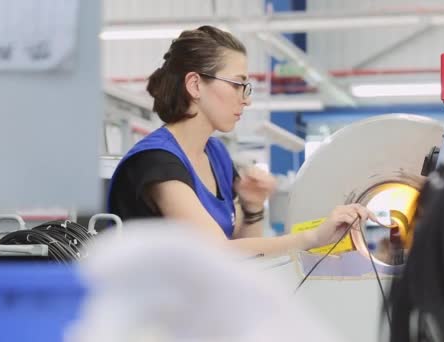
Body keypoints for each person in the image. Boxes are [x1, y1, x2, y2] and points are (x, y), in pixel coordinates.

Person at [107, 25, 376, 256]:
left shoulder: (216, 154)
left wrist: (252, 207)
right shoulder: (155, 162)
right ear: (195, 85)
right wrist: (313, 238)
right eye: (238, 85)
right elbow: (219, 252)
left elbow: (245, 250)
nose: (246, 99)